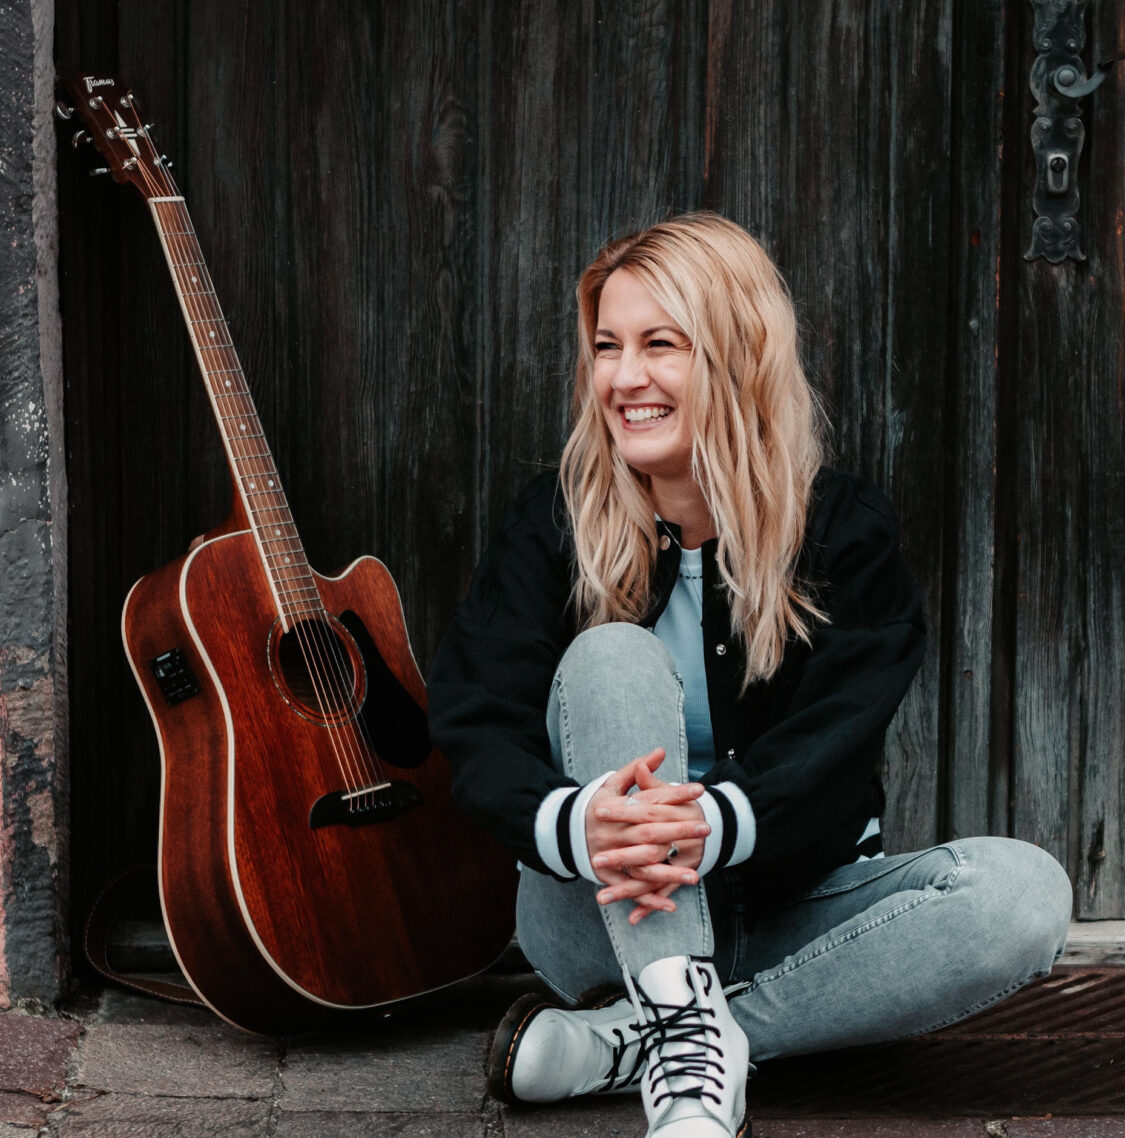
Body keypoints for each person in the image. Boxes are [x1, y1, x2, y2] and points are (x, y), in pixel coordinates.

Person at [428, 213, 1072, 1138]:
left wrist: (711, 823)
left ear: (736, 356)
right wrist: (577, 823)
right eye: (607, 346)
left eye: (660, 345)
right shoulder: (554, 524)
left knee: (1024, 895)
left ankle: (648, 1040)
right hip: (600, 917)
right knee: (612, 654)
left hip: (791, 910)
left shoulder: (842, 530)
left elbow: (837, 743)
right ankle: (678, 1020)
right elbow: (474, 714)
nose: (624, 377)